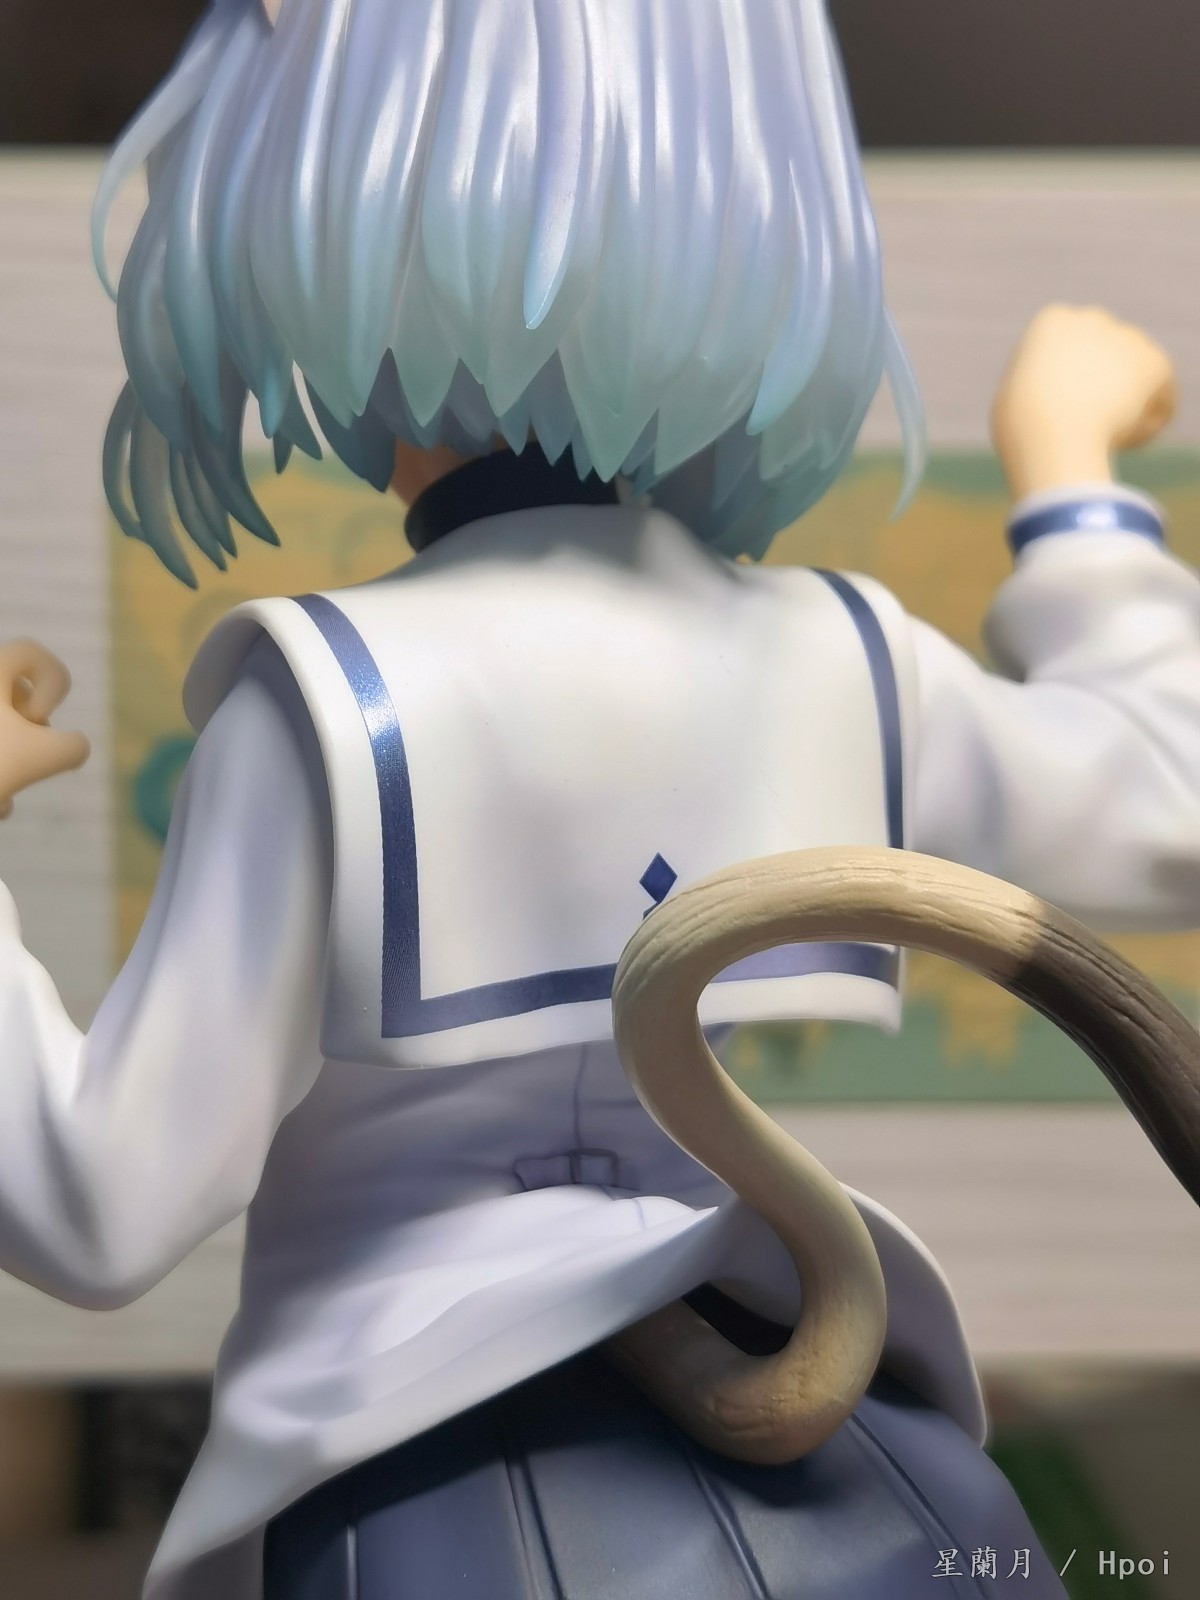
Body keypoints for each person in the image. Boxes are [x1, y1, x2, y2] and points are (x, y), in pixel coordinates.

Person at [2, 2, 1199, 1596]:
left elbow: (94, 1207)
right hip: (811, 1386)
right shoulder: (839, 652)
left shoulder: (327, 698)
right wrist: (1072, 484)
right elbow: (1172, 801)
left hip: (419, 1464)